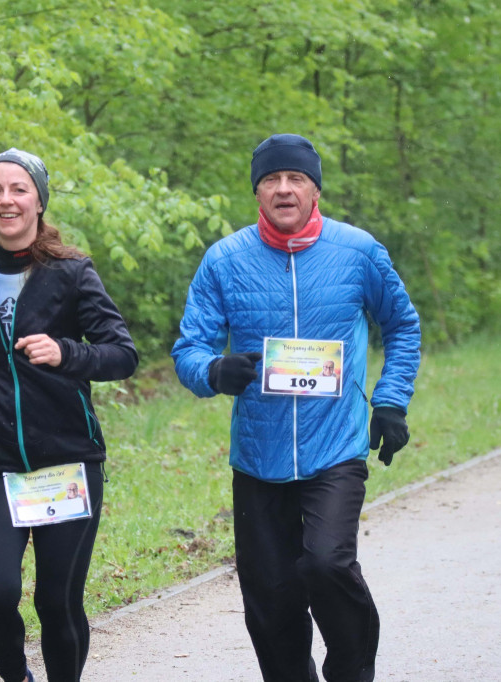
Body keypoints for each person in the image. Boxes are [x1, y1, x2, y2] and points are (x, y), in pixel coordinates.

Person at [172, 134, 420, 682]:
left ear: (314, 188)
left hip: (336, 445)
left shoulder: (357, 252)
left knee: (328, 563)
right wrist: (212, 371)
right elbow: (189, 348)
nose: (284, 189)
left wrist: (391, 401)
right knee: (271, 595)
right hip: (258, 455)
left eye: (296, 179)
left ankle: (352, 670)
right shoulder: (225, 260)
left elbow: (402, 326)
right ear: (257, 191)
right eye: (271, 180)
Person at [0, 148, 138, 682]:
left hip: (65, 459)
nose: (6, 200)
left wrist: (68, 353)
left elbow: (122, 353)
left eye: (19, 190)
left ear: (38, 201)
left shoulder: (70, 272)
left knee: (57, 601)